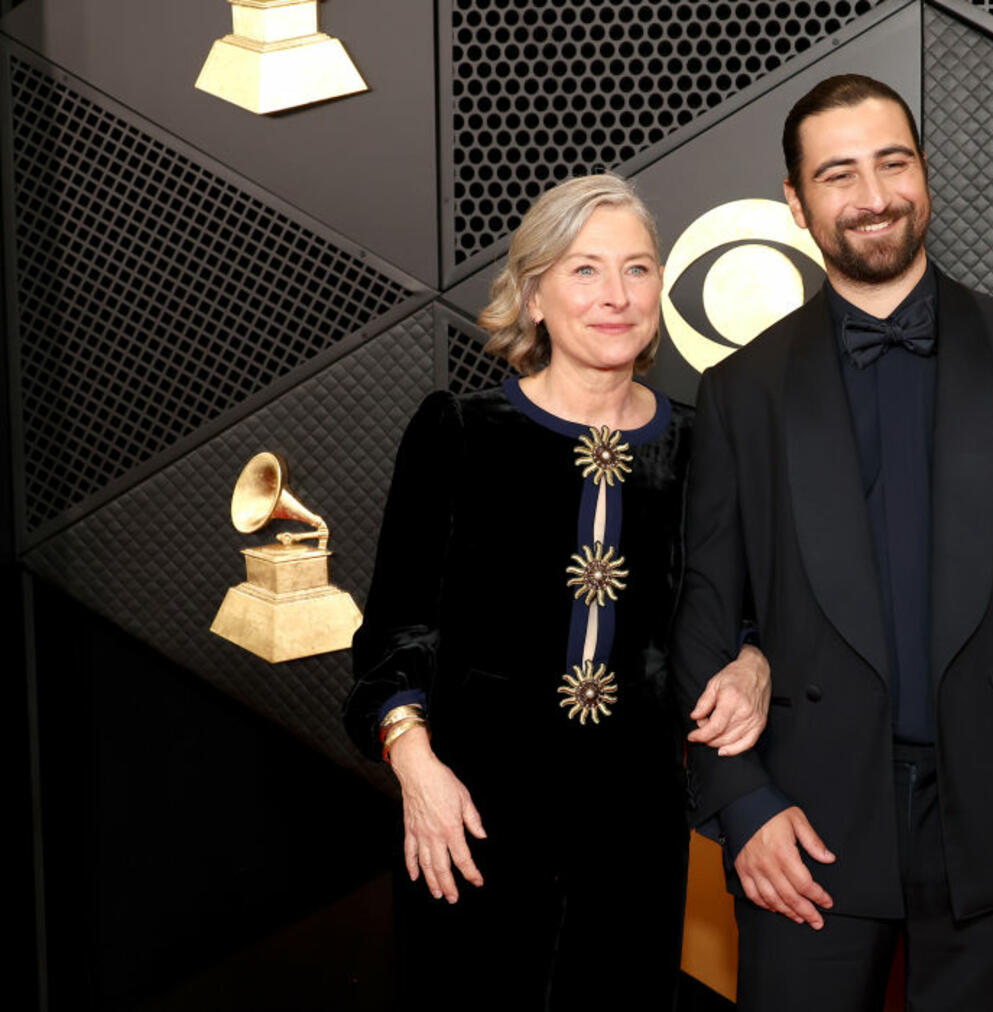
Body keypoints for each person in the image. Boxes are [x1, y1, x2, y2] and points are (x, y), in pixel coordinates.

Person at [670, 74, 993, 1010]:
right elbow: (703, 611)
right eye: (839, 174)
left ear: (924, 173)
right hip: (805, 823)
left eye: (893, 163)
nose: (873, 196)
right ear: (797, 202)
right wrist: (743, 805)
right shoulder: (744, 390)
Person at [343, 173, 770, 1009]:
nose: (615, 295)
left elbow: (751, 605)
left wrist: (756, 659)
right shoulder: (459, 432)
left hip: (636, 825)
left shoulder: (703, 444)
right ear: (533, 295)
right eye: (584, 270)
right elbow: (393, 633)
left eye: (637, 269)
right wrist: (417, 767)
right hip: (468, 816)